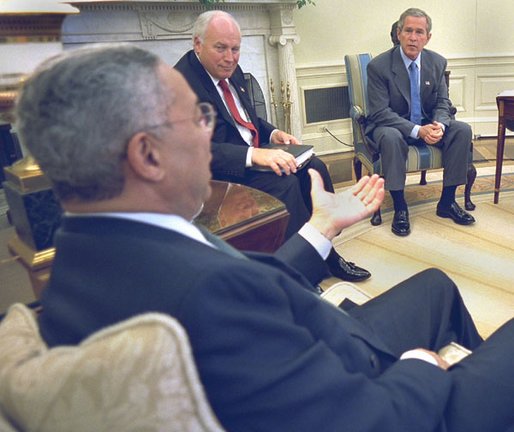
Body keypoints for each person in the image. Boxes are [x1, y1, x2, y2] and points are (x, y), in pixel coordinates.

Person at [16, 44, 514, 432]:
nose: (209, 134)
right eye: (199, 118)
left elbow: (240, 284)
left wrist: (319, 229)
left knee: (436, 286)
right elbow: (370, 422)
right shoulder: (210, 297)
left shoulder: (81, 255)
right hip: (376, 393)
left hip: (315, 343)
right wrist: (422, 369)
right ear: (147, 156)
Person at [175, 10, 371, 282]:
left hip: (252, 157)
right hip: (221, 173)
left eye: (235, 49)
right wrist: (255, 155)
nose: (230, 57)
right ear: (198, 44)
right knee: (286, 184)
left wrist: (274, 132)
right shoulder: (181, 85)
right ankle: (299, 273)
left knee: (314, 167)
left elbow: (247, 119)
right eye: (220, 48)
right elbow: (194, 151)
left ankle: (326, 250)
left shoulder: (233, 71)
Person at [366, 8, 475, 237]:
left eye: (419, 32)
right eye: (408, 31)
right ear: (398, 33)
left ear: (428, 37)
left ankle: (447, 202)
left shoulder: (437, 63)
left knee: (462, 130)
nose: (413, 37)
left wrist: (440, 126)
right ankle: (400, 207)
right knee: (391, 137)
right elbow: (379, 112)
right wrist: (418, 131)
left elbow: (443, 103)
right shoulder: (379, 66)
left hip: (427, 122)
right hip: (392, 126)